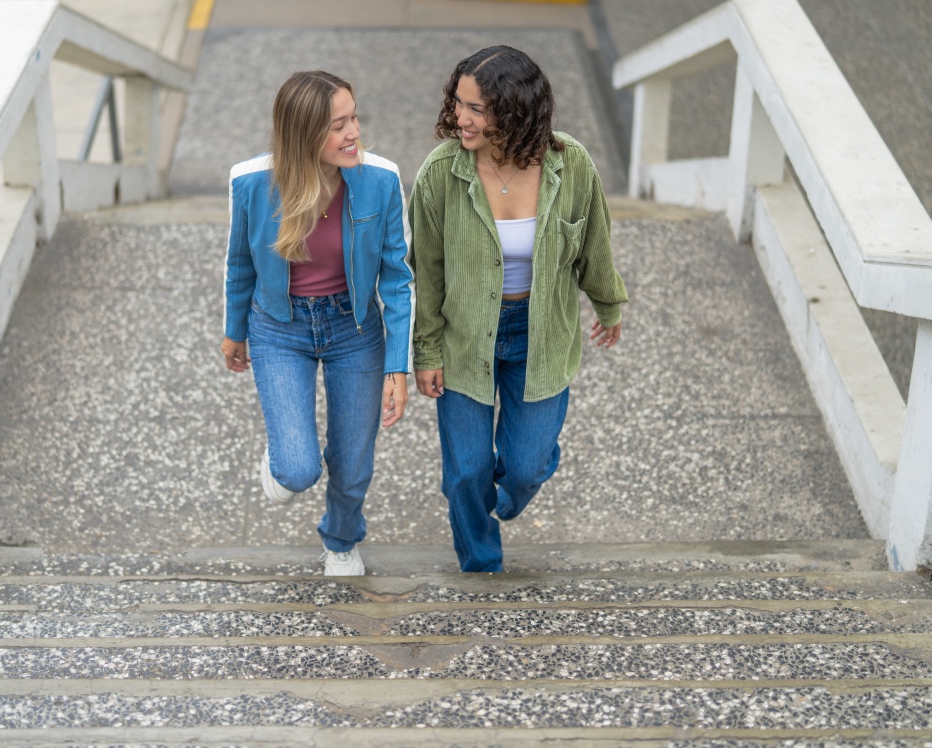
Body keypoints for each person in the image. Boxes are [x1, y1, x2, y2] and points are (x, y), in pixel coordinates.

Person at [409, 46, 628, 573]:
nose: (462, 118)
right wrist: (426, 351)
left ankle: (517, 478)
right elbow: (426, 271)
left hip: (541, 334)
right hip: (465, 338)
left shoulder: (570, 165)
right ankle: (480, 563)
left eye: (477, 109)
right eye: (459, 103)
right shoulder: (441, 172)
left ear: (515, 111)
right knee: (466, 472)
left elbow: (594, 243)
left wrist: (608, 305)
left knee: (526, 467)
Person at [222, 70, 413, 577]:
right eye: (337, 126)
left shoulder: (381, 180)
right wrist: (234, 330)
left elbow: (398, 279)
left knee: (353, 461)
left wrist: (399, 366)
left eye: (354, 118)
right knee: (297, 469)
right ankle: (286, 456)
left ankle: (341, 540)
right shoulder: (251, 183)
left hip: (355, 330)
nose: (354, 133)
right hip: (279, 329)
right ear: (303, 134)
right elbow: (239, 263)